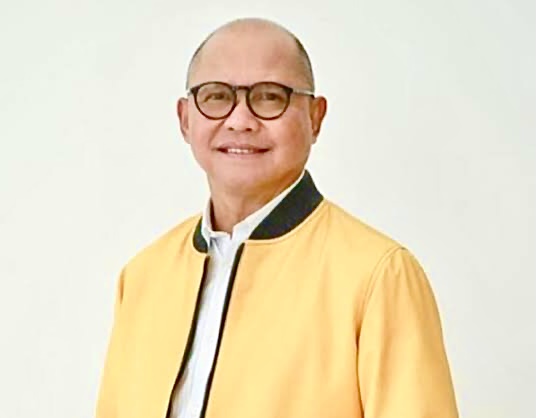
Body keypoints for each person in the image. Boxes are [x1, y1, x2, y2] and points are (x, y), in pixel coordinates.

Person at [96, 17, 459, 418]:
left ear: (315, 117)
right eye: (216, 96)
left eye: (270, 97)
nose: (240, 121)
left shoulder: (379, 276)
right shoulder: (143, 276)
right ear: (185, 118)